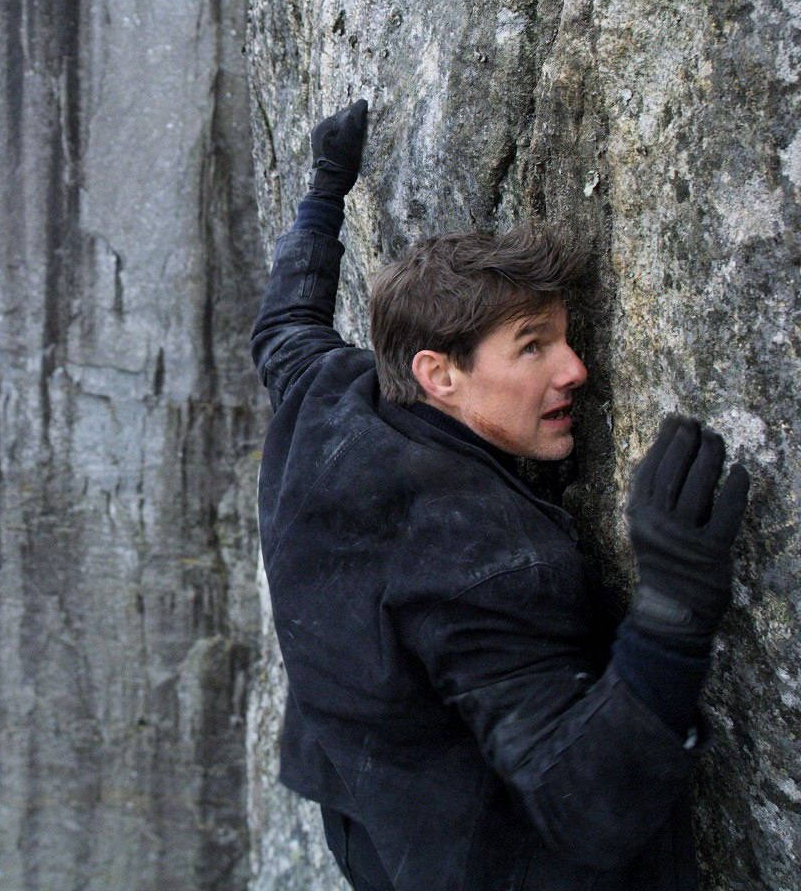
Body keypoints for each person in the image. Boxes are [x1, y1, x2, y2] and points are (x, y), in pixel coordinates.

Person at [250, 100, 749, 891]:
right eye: (532, 347)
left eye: (565, 337)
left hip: (361, 815)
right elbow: (586, 801)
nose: (575, 370)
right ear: (436, 374)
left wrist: (325, 189)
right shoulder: (483, 556)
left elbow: (283, 327)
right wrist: (675, 609)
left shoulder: (329, 394)